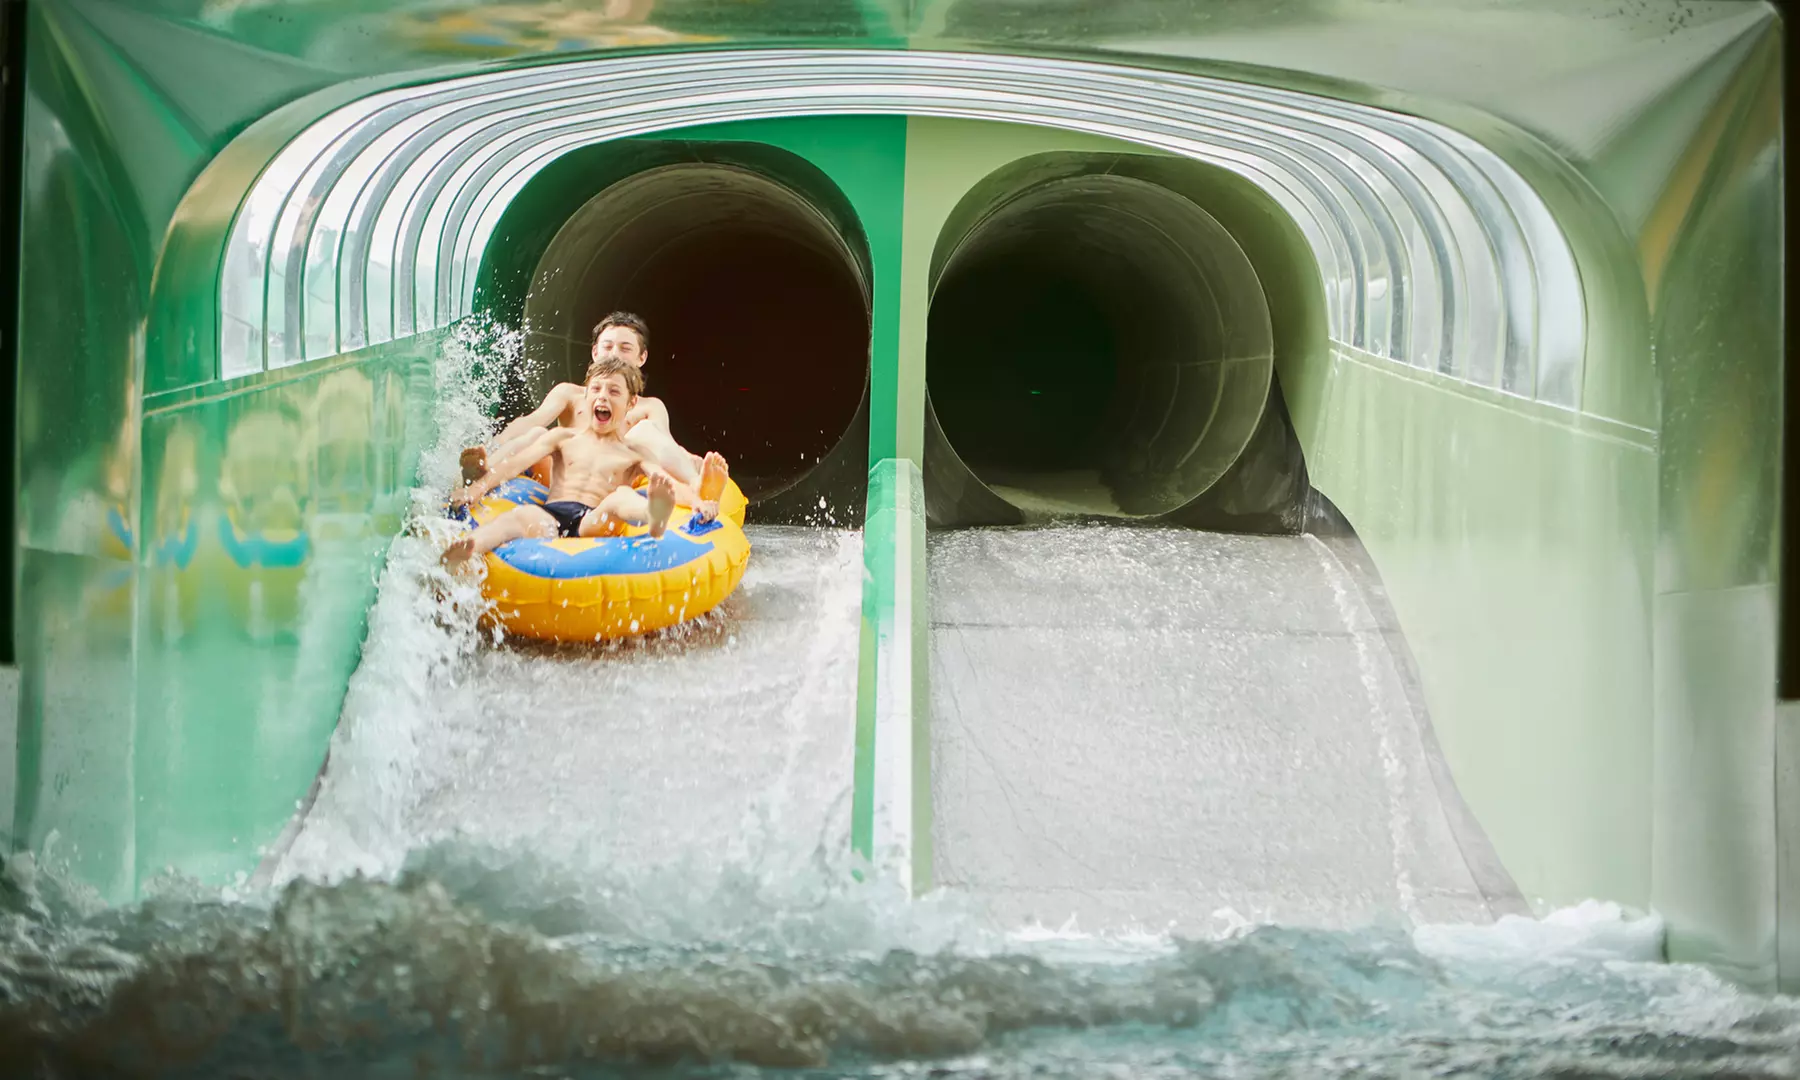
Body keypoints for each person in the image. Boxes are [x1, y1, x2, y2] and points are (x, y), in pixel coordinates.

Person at [442, 354, 728, 570]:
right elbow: (515, 464)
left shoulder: (634, 452)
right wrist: (476, 489)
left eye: (614, 392)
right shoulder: (563, 438)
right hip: (551, 515)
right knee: (519, 516)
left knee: (620, 497)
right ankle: (469, 548)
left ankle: (653, 515)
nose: (603, 396)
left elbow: (667, 483)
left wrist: (698, 503)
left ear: (630, 403)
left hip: (593, 519)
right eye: (596, 389)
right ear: (586, 396)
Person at [460, 312, 713, 498]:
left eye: (625, 348)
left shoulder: (648, 406)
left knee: (645, 431)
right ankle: (484, 471)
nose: (615, 354)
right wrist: (497, 442)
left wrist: (689, 459)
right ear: (595, 353)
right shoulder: (570, 393)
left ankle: (695, 485)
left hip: (614, 480)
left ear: (641, 357)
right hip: (564, 478)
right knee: (537, 433)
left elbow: (664, 443)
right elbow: (531, 421)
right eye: (607, 346)